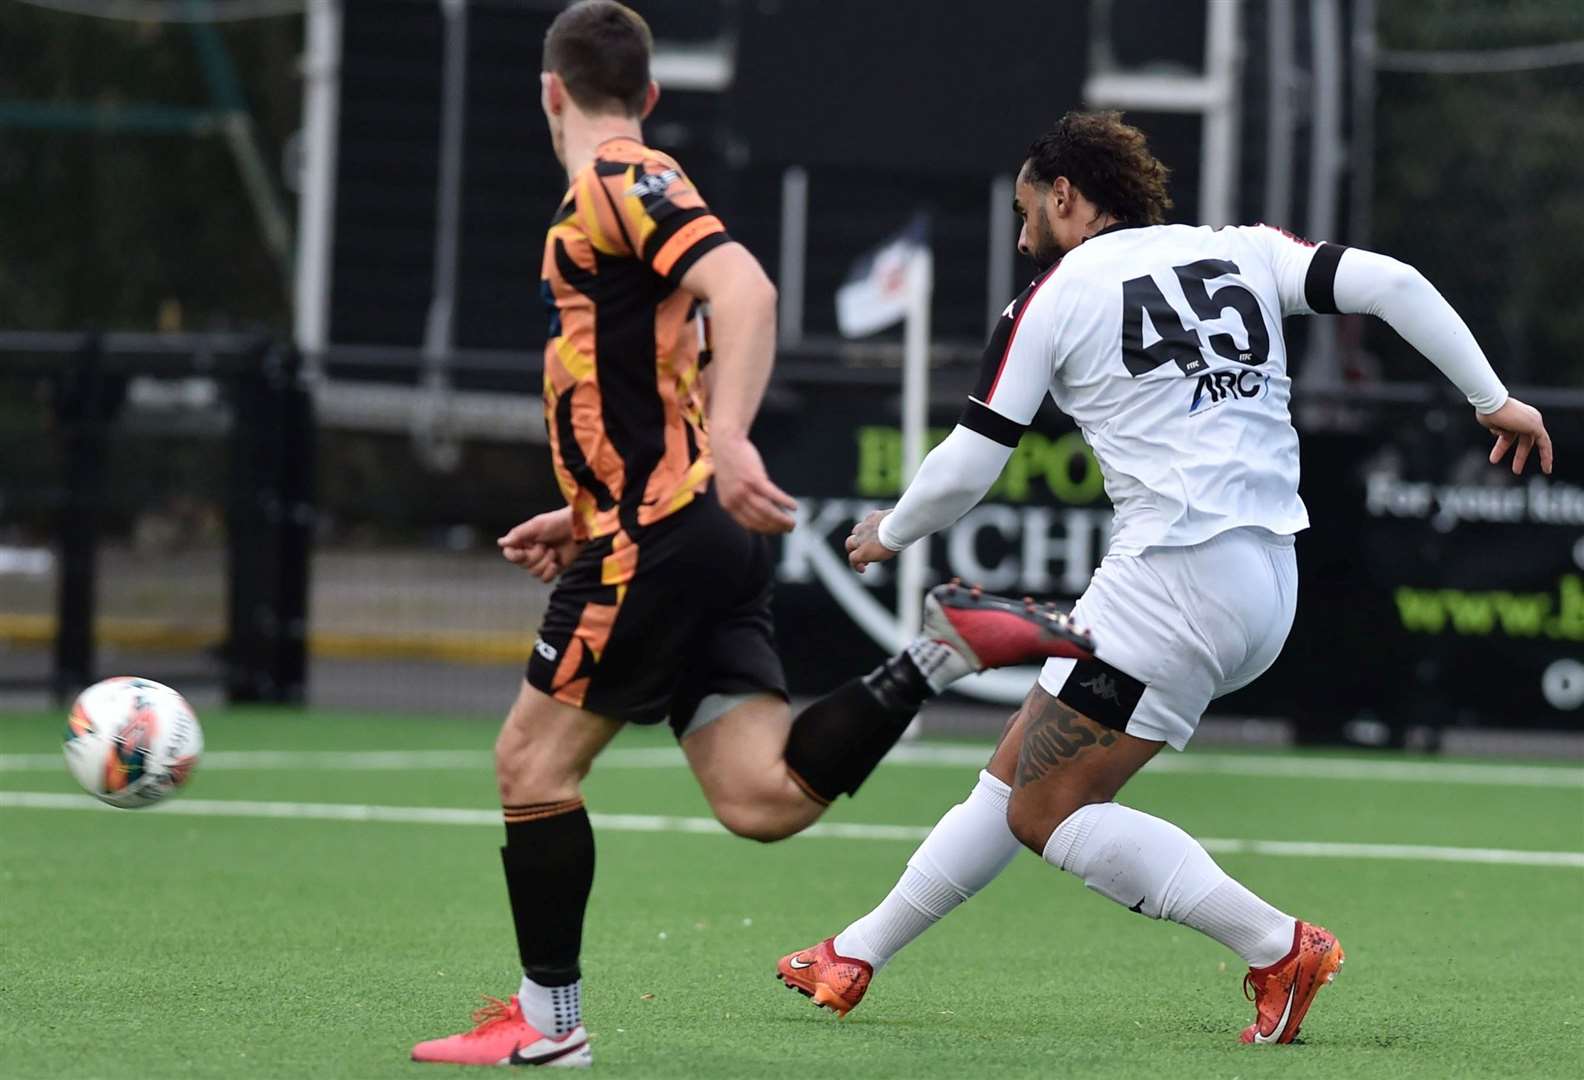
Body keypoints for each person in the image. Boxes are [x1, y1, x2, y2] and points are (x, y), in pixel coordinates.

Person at [410, 3, 1094, 1068]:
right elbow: (640, 378)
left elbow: (745, 287)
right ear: (648, 89)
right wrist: (590, 503)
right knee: (762, 797)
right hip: (686, 533)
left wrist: (727, 440)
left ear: (553, 92)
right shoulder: (619, 190)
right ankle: (934, 653)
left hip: (662, 535)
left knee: (528, 766)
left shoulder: (619, 179)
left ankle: (549, 1028)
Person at [776, 110, 1554, 1045]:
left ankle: (1276, 945)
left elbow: (969, 462)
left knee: (1047, 809)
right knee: (1018, 767)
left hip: (1173, 576)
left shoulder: (1054, 295)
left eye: (1029, 213)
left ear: (1066, 195)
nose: (1024, 238)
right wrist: (1491, 396)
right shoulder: (1244, 251)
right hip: (1268, 578)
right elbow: (1391, 282)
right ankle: (853, 954)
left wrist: (889, 532)